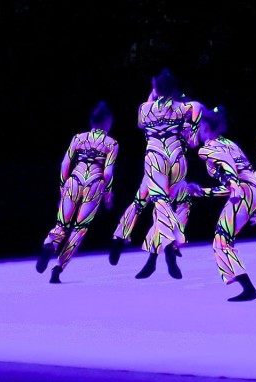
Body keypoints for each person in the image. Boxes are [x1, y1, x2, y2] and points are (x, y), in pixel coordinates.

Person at [113, 70, 204, 280]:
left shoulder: (145, 109)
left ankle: (124, 240)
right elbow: (193, 141)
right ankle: (164, 251)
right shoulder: (185, 109)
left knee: (148, 205)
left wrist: (154, 94)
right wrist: (191, 128)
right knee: (169, 207)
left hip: (155, 161)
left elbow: (142, 122)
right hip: (175, 161)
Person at [193, 106, 256, 301]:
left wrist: (234, 187)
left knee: (221, 241)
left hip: (245, 192)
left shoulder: (208, 149)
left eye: (199, 127)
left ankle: (248, 288)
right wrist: (203, 192)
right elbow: (241, 176)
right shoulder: (231, 143)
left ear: (206, 127)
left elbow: (232, 177)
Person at [38, 102, 119, 283]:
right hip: (95, 184)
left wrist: (62, 185)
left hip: (74, 179)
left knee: (61, 224)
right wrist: (108, 194)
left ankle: (49, 243)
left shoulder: (78, 138)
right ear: (108, 122)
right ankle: (58, 268)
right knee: (79, 228)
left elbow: (65, 163)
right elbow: (108, 172)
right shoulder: (111, 143)